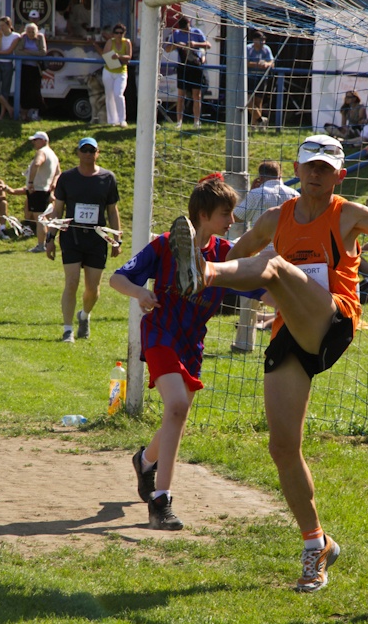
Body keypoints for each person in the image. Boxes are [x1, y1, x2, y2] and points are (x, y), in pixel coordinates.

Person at [168, 133, 368, 592]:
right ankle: (316, 543)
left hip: (335, 320)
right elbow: (236, 256)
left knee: (273, 266)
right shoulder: (274, 218)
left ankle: (200, 275)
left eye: (326, 167)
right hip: (292, 333)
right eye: (310, 165)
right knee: (282, 448)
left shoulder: (349, 214)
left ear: (340, 174)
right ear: (297, 171)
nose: (317, 173)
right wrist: (225, 273)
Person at [109, 177, 260, 530]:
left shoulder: (226, 255)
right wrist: (139, 293)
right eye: (225, 213)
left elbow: (259, 287)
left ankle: (145, 462)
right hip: (160, 334)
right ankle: (161, 501)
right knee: (176, 406)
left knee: (177, 414)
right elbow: (117, 278)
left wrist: (293, 305)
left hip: (192, 343)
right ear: (203, 215)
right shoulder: (165, 245)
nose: (232, 220)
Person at [46, 137, 122, 343]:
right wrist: (50, 237)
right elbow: (58, 210)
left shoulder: (108, 178)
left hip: (97, 240)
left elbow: (112, 211)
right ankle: (67, 330)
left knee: (93, 289)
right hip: (71, 237)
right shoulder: (67, 178)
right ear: (78, 152)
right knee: (71, 282)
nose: (88, 154)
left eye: (91, 150)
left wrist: (117, 239)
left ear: (97, 153)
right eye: (84, 150)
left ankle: (85, 315)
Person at [231, 161, 299, 352]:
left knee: (249, 299)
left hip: (259, 253)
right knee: (284, 300)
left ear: (260, 177)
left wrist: (251, 192)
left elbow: (236, 217)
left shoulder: (257, 193)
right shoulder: (295, 195)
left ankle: (244, 343)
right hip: (286, 255)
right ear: (280, 174)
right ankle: (284, 343)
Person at [165, 15, 210, 130]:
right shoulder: (176, 34)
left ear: (189, 24)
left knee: (196, 95)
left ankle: (196, 121)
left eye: (186, 28)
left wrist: (195, 44)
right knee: (181, 95)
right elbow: (167, 49)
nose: (185, 31)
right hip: (183, 67)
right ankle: (179, 122)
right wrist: (177, 45)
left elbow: (208, 45)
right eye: (183, 29)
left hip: (196, 65)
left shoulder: (197, 32)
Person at [24, 132, 61, 254]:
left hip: (38, 189)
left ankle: (41, 245)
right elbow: (58, 173)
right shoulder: (53, 155)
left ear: (44, 141)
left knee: (39, 217)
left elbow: (36, 164)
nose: (33, 142)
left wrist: (30, 182)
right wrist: (53, 185)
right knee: (47, 218)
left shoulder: (41, 152)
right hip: (46, 190)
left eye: (36, 140)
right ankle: (49, 242)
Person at [0, 16, 20, 120]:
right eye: (0, 26)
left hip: (7, 64)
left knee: (5, 90)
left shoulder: (16, 36)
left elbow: (9, 51)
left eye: (3, 25)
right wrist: (0, 38)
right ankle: (10, 108)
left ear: (9, 25)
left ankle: (2, 115)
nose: (1, 28)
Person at [101, 22, 132, 127]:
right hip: (109, 71)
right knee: (109, 95)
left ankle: (122, 119)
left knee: (118, 94)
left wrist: (119, 56)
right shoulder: (110, 42)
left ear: (124, 33)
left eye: (121, 33)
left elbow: (129, 56)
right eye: (117, 33)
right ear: (113, 34)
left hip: (121, 72)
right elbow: (105, 55)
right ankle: (112, 121)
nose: (119, 35)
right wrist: (112, 57)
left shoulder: (127, 42)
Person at [17, 22, 47, 122]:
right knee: (24, 91)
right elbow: (18, 51)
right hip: (24, 68)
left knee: (35, 91)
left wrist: (27, 52)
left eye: (33, 32)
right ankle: (24, 115)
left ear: (36, 31)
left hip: (36, 68)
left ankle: (36, 113)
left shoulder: (40, 37)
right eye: (29, 31)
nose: (30, 34)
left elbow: (43, 52)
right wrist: (34, 54)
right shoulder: (23, 37)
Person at [247, 31, 275, 130]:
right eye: (261, 40)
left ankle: (254, 126)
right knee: (248, 100)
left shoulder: (266, 49)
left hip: (262, 77)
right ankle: (260, 120)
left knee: (258, 102)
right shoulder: (248, 48)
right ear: (254, 40)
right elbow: (245, 62)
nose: (263, 42)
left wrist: (267, 64)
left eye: (264, 40)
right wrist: (257, 64)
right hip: (250, 77)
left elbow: (272, 63)